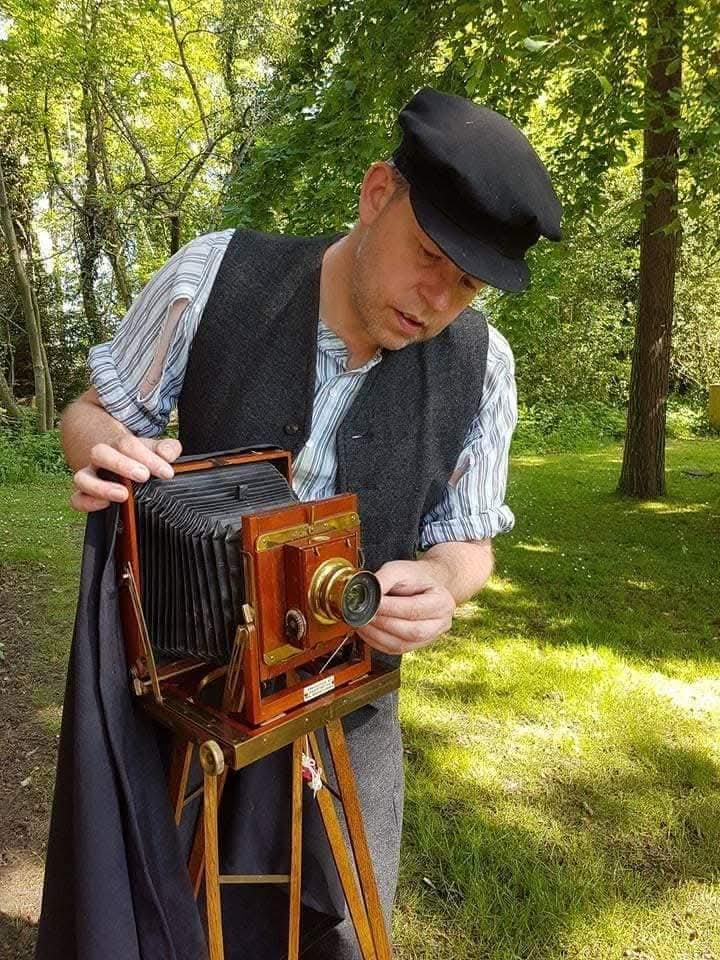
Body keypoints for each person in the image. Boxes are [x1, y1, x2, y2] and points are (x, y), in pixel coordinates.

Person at [53, 87, 561, 958]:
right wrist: (103, 448)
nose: (438, 299)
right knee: (144, 916)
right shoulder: (212, 275)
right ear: (376, 195)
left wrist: (442, 582)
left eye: (469, 283)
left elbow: (469, 537)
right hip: (180, 699)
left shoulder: (488, 366)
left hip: (348, 704)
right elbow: (92, 414)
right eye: (430, 256)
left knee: (342, 933)